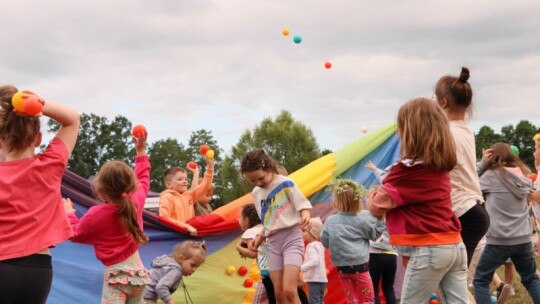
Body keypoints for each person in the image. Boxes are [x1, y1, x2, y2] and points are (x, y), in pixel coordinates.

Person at [367, 98, 468, 304]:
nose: (398, 134)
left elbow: (376, 207)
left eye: (400, 129)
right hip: (455, 246)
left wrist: (373, 192)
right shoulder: (440, 167)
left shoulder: (405, 173)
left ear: (409, 132)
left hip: (430, 248)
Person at [0, 86, 80, 303]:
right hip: (37, 271)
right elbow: (72, 119)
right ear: (38, 138)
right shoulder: (50, 166)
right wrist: (40, 104)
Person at [64, 130, 151, 303]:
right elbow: (144, 178)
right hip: (140, 275)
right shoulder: (136, 200)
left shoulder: (96, 215)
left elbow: (75, 233)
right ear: (131, 185)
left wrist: (69, 214)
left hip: (117, 277)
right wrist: (140, 152)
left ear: (100, 189)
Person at [434, 67, 490, 268]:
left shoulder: (446, 133)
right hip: (473, 210)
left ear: (443, 102)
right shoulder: (465, 130)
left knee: (451, 282)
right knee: (452, 283)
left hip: (464, 212)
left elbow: (440, 165)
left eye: (434, 99)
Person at [241, 149, 312, 304]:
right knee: (278, 293)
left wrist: (305, 214)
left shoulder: (286, 183)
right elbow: (268, 222)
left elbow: (303, 205)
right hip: (273, 243)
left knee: (289, 290)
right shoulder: (257, 192)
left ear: (266, 166)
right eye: (253, 181)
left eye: (260, 178)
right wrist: (259, 238)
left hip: (291, 239)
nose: (258, 183)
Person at [473, 142, 540, 303]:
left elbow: (470, 180)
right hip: (523, 237)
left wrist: (482, 164)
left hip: (499, 239)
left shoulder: (491, 176)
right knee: (531, 279)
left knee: (480, 280)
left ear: (492, 156)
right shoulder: (523, 177)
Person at [321, 178, 384, 304]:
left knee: (351, 299)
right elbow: (374, 235)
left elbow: (325, 242)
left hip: (342, 267)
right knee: (368, 298)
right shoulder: (362, 219)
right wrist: (380, 220)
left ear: (336, 201)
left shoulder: (330, 221)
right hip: (360, 265)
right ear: (357, 200)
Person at [159, 155, 214, 235]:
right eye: (180, 179)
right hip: (175, 235)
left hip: (190, 234)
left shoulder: (189, 195)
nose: (184, 181)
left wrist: (210, 167)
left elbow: (205, 185)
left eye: (186, 179)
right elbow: (164, 217)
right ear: (169, 184)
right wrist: (185, 226)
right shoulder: (167, 197)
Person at [300, 217, 327, 304]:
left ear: (312, 233)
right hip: (322, 279)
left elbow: (314, 261)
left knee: (314, 302)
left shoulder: (311, 246)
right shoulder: (320, 245)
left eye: (304, 231)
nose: (301, 233)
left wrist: (301, 268)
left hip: (314, 279)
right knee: (320, 301)